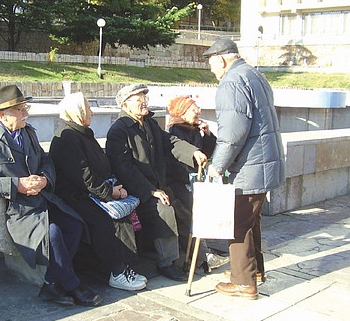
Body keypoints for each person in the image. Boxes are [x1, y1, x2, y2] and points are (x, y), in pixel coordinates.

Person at [0, 84, 102, 307]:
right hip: (19, 210)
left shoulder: (27, 133)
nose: (26, 113)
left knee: (74, 224)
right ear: (3, 114)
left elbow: (46, 160)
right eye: (21, 110)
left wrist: (45, 179)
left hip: (43, 200)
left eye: (25, 107)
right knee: (54, 233)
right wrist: (16, 185)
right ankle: (73, 285)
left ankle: (50, 284)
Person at [203, 39, 285, 300]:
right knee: (251, 221)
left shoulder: (231, 82)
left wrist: (217, 166)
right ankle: (253, 271)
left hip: (250, 166)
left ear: (222, 59)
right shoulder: (254, 75)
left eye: (211, 62)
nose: (211, 68)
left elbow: (232, 133)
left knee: (237, 224)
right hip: (263, 162)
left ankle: (243, 283)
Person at [105, 83, 207, 282]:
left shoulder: (149, 124)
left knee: (185, 208)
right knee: (164, 210)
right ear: (126, 105)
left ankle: (197, 257)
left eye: (145, 97)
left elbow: (170, 142)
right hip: (139, 190)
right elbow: (124, 168)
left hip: (160, 185)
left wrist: (193, 152)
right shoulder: (119, 131)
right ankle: (166, 262)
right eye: (139, 99)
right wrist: (151, 191)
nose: (144, 102)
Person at [49, 92, 147, 291]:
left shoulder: (82, 133)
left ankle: (126, 266)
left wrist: (114, 187)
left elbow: (100, 167)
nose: (92, 113)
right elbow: (83, 177)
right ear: (77, 112)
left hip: (93, 191)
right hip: (75, 196)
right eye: (88, 109)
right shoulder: (67, 138)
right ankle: (117, 271)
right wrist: (111, 193)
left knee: (124, 214)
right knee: (103, 220)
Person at [166, 95, 229, 273]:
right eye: (194, 109)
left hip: (195, 179)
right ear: (183, 112)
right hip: (180, 182)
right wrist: (190, 180)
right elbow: (176, 162)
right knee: (192, 216)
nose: (198, 112)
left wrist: (207, 134)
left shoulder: (193, 129)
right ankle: (203, 256)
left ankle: (204, 253)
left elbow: (208, 152)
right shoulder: (176, 131)